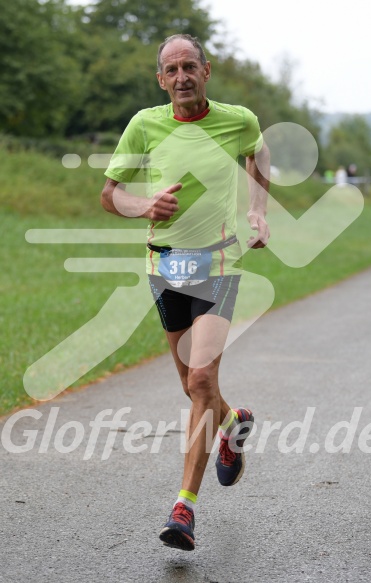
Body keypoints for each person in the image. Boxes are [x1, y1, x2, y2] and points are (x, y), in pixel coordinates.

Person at [100, 33, 270, 551]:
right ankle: (233, 421)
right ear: (160, 79)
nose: (181, 78)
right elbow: (111, 195)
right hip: (165, 265)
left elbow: (258, 155)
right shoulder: (143, 125)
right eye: (171, 70)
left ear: (206, 70)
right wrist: (144, 206)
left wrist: (258, 209)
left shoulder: (238, 119)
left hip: (220, 261)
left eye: (189, 67)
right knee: (192, 387)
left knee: (201, 378)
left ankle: (184, 509)